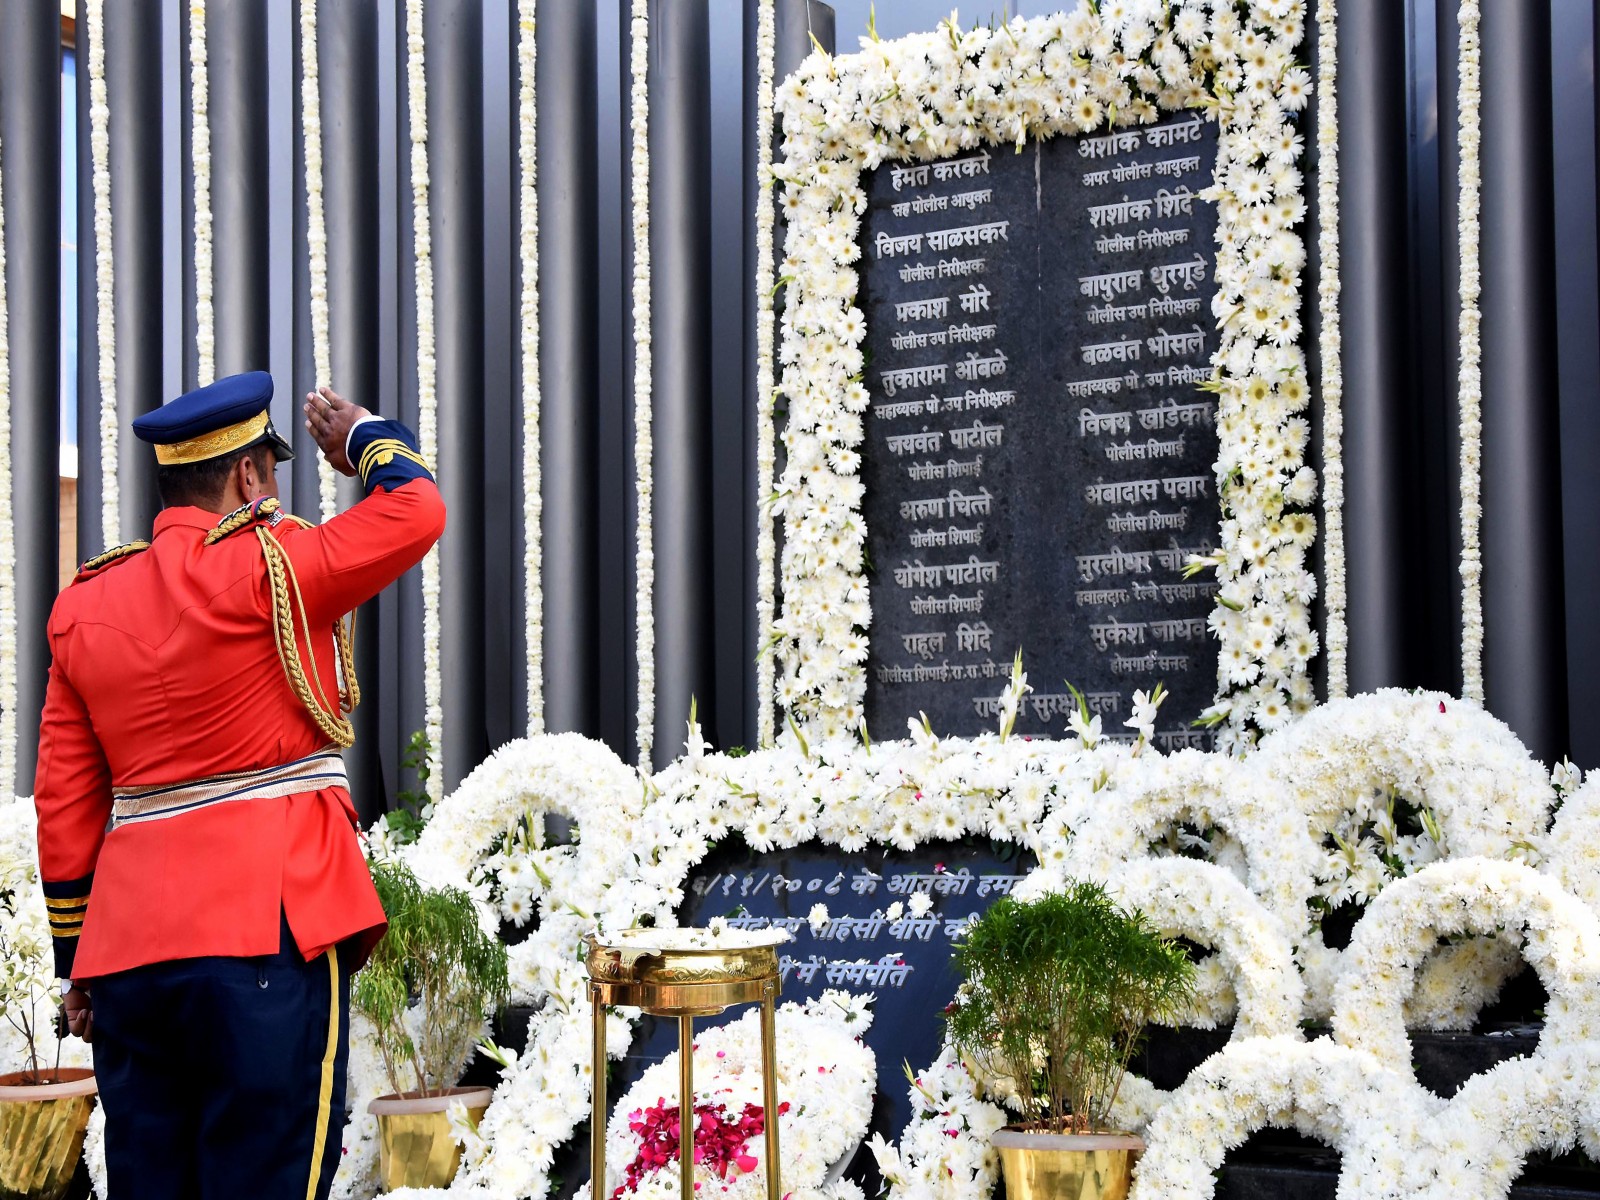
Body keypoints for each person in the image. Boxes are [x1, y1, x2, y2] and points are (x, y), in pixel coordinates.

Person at [33, 371, 445, 1200]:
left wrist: (81, 962)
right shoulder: (276, 566)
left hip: (131, 959)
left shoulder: (85, 603)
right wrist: (363, 435)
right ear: (248, 478)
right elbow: (416, 508)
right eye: (271, 471)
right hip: (269, 929)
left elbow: (66, 802)